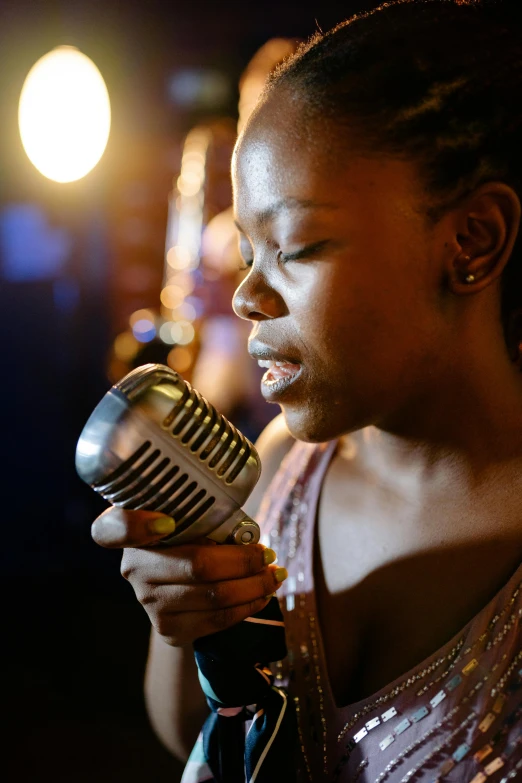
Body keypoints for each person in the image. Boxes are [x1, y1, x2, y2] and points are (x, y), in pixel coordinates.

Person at [90, 0, 522, 780]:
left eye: (296, 246)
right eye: (246, 248)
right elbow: (190, 733)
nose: (246, 294)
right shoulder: (283, 464)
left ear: (471, 240)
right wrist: (188, 623)